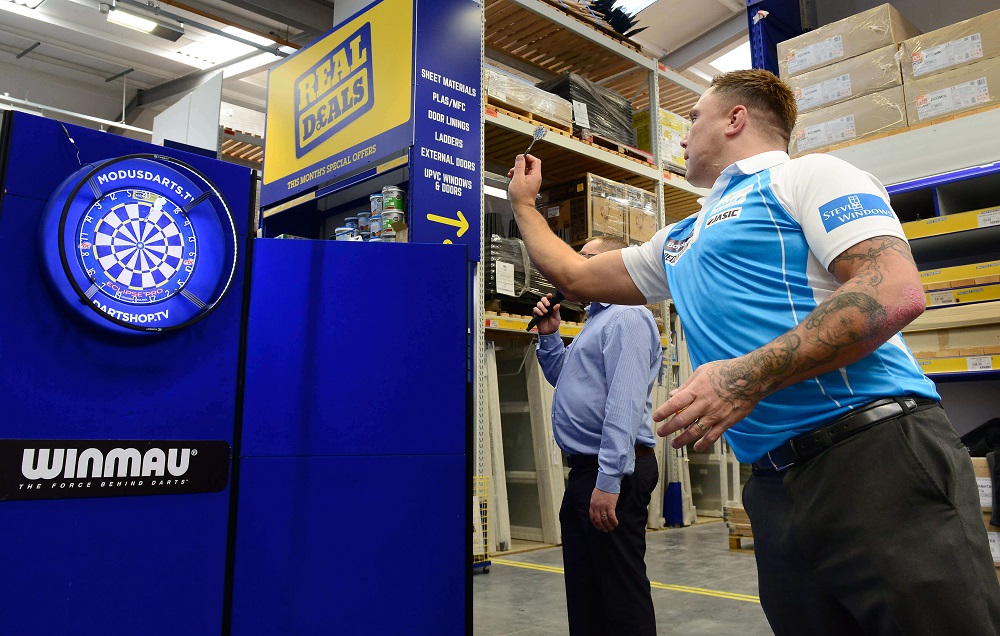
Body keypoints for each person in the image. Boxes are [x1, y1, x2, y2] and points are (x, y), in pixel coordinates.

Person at [508, 68, 1000, 635]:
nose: (683, 134)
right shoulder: (682, 237)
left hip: (874, 453)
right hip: (773, 482)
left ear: (736, 119)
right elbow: (576, 276)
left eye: (693, 118)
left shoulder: (807, 177)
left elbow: (892, 288)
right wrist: (523, 204)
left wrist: (746, 377)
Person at [532, 235, 662, 636]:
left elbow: (622, 404)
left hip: (612, 474)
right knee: (587, 594)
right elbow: (568, 381)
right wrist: (551, 336)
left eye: (587, 258)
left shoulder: (627, 316)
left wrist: (608, 482)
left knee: (619, 598)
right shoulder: (597, 320)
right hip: (589, 472)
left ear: (616, 266)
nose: (576, 266)